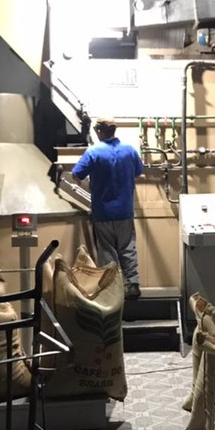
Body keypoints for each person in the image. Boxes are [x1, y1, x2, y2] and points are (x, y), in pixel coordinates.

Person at [72, 119, 145, 299]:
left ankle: (112, 288)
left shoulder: (93, 152)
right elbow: (139, 171)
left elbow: (76, 174)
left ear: (99, 131)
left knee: (107, 251)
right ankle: (132, 285)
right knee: (128, 248)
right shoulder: (129, 150)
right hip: (125, 211)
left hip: (103, 211)